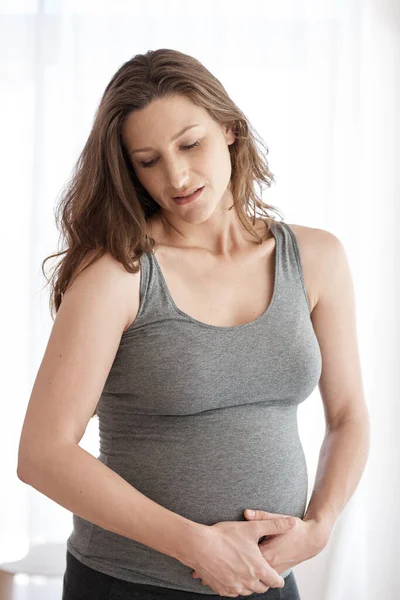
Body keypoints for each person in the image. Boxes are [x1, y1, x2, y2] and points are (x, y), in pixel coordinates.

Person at [17, 48, 370, 600]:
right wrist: (196, 545)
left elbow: (348, 416)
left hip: (267, 582)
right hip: (130, 584)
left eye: (190, 144)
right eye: (148, 160)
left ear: (229, 129)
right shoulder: (118, 274)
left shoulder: (316, 258)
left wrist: (319, 528)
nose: (176, 175)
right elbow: (42, 453)